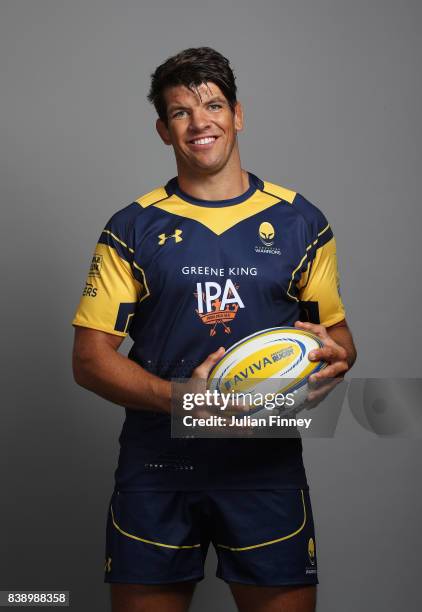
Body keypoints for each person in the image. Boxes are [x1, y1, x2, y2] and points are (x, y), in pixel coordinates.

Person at [72, 47, 356, 612]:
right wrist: (185, 401)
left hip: (263, 464)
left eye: (212, 105)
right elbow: (89, 359)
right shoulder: (131, 227)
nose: (199, 122)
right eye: (180, 111)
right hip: (159, 465)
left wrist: (334, 361)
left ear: (238, 115)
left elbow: (339, 340)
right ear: (163, 130)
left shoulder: (301, 221)